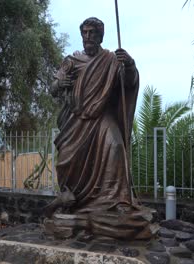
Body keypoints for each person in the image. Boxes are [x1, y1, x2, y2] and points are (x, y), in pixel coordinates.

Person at [48, 17, 139, 215]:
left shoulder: (112, 60)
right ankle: (70, 197)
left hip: (103, 116)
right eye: (85, 33)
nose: (88, 37)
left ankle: (119, 201)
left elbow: (128, 84)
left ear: (100, 36)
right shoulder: (71, 61)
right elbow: (53, 87)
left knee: (115, 146)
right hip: (76, 120)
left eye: (92, 33)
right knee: (66, 159)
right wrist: (60, 85)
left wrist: (130, 65)